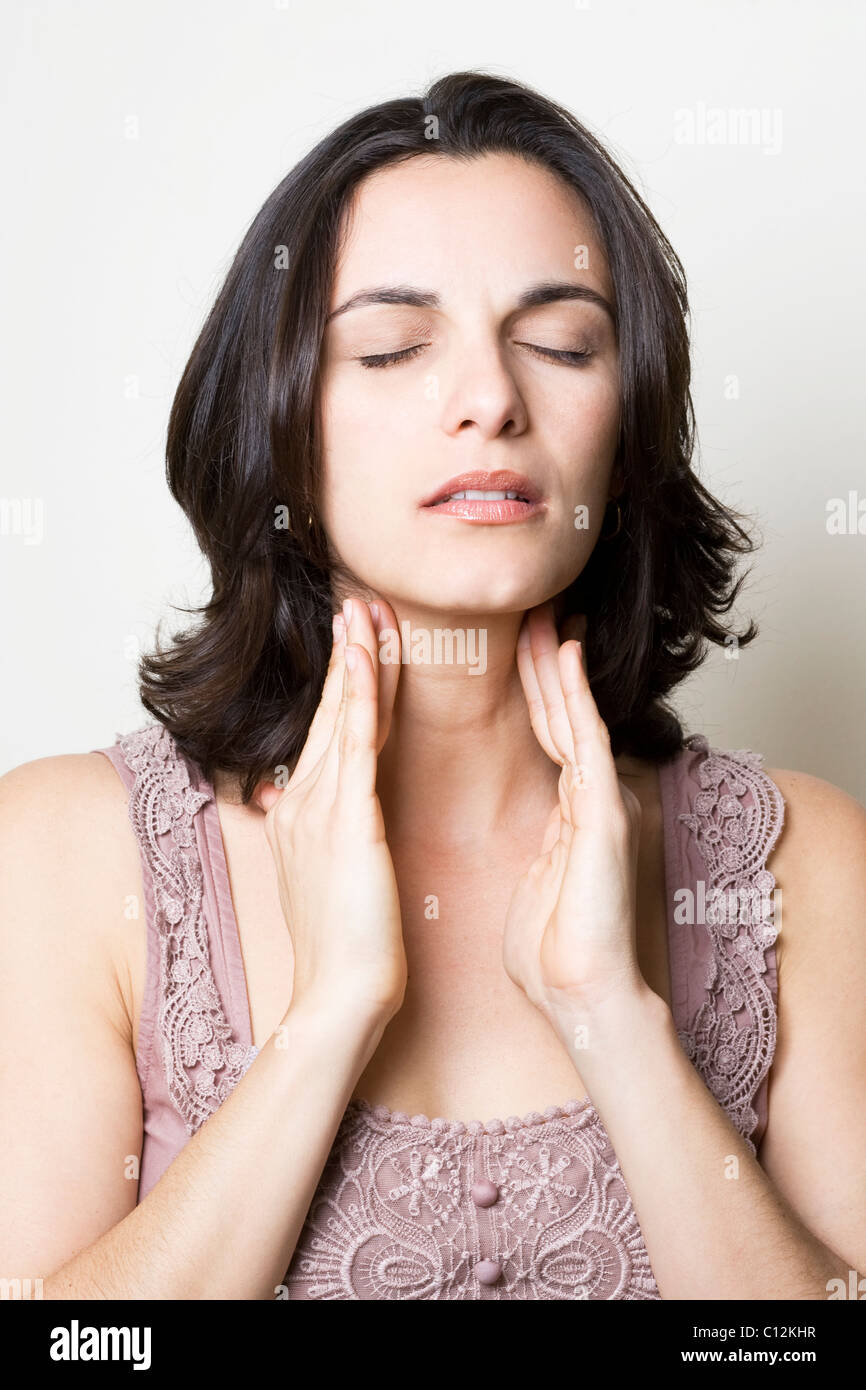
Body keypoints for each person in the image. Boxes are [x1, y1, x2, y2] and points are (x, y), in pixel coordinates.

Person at [1, 71, 864, 1302]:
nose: (491, 401)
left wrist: (614, 1020)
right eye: (395, 347)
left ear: (626, 432)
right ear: (280, 418)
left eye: (562, 342)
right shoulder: (66, 857)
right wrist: (329, 1017)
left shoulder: (797, 865)